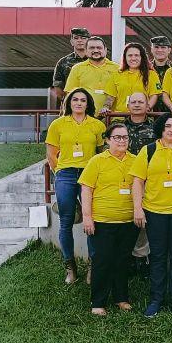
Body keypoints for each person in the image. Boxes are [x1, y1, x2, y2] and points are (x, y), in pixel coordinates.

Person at [130, 113, 172, 317]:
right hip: (155, 211)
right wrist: (138, 208)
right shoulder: (148, 150)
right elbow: (137, 181)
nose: (171, 130)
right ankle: (156, 300)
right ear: (161, 128)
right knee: (158, 256)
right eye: (168, 126)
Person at [45, 88, 106, 284]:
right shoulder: (58, 124)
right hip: (66, 174)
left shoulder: (97, 125)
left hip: (89, 176)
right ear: (69, 103)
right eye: (75, 100)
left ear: (88, 104)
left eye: (83, 100)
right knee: (66, 220)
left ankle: (92, 267)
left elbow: (100, 152)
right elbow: (51, 155)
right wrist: (59, 173)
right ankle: (70, 267)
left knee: (92, 219)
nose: (79, 103)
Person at [78, 123, 139, 316]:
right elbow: (86, 189)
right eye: (117, 137)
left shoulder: (136, 161)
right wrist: (87, 217)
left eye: (125, 137)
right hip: (102, 221)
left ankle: (121, 298)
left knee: (122, 260)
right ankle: (98, 302)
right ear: (107, 140)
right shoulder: (97, 161)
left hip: (128, 221)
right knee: (102, 260)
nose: (122, 141)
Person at [122, 92, 156, 277]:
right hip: (121, 179)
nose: (136, 105)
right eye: (132, 102)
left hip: (146, 181)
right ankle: (125, 258)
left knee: (142, 220)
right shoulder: (118, 128)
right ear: (128, 106)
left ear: (147, 105)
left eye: (140, 102)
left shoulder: (154, 129)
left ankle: (141, 258)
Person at [64, 36, 120, 115]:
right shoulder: (77, 68)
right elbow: (70, 94)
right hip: (85, 118)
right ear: (86, 51)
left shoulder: (117, 69)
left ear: (105, 50)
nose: (96, 50)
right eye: (92, 48)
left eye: (99, 48)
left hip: (111, 117)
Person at [100, 42, 161, 115]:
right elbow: (110, 98)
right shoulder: (116, 75)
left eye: (136, 55)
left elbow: (154, 95)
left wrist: (147, 108)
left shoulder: (151, 74)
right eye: (130, 55)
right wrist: (106, 107)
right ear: (125, 58)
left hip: (143, 117)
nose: (133, 58)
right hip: (120, 117)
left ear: (142, 57)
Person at [52, 27, 90, 103]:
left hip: (93, 103)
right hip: (70, 104)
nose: (79, 40)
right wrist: (68, 101)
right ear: (71, 42)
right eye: (76, 38)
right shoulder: (63, 62)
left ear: (89, 41)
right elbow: (58, 87)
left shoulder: (95, 60)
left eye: (83, 38)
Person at [149, 36, 172, 114]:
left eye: (163, 47)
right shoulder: (146, 69)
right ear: (151, 49)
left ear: (169, 50)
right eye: (156, 47)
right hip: (150, 115)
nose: (159, 50)